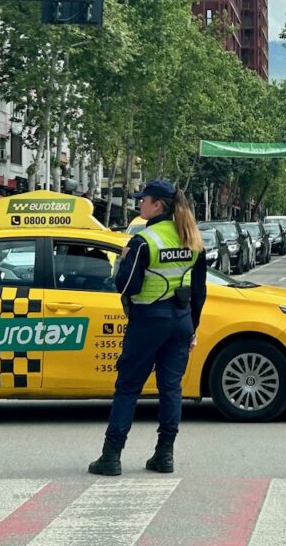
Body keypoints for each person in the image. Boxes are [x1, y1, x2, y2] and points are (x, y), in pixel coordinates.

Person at [88, 178, 207, 476]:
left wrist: (124, 262)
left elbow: (126, 286)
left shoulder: (144, 241)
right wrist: (193, 326)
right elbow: (199, 289)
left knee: (128, 388)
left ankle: (111, 456)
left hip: (148, 319)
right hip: (180, 320)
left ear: (158, 205)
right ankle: (164, 455)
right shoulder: (191, 239)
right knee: (171, 389)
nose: (139, 203)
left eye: (144, 199)